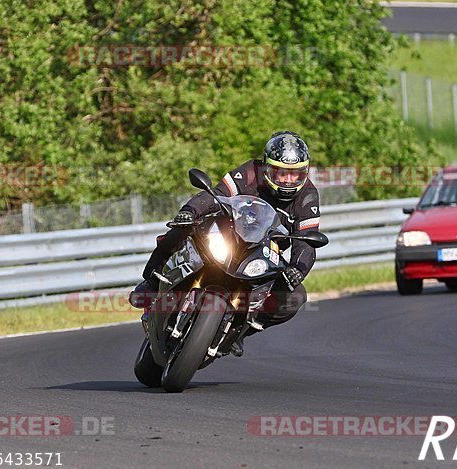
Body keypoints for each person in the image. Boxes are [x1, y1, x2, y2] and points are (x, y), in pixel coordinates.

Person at [129, 131, 321, 356]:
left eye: (296, 175)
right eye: (281, 173)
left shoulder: (308, 196)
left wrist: (298, 269)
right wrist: (189, 211)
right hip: (229, 231)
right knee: (182, 228)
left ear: (305, 172)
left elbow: (307, 241)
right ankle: (153, 280)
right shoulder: (250, 172)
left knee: (295, 296)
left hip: (263, 252)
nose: (288, 181)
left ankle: (241, 330)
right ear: (267, 168)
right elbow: (216, 195)